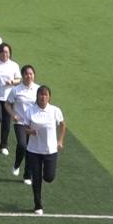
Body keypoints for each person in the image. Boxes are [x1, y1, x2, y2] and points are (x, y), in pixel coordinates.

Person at [23, 86, 66, 215]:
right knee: (36, 178)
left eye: (45, 95)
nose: (43, 97)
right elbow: (24, 127)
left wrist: (60, 140)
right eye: (41, 94)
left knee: (49, 177)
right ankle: (38, 205)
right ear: (37, 96)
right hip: (34, 150)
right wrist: (30, 131)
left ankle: (44, 175)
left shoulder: (55, 111)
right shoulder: (30, 111)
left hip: (50, 150)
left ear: (49, 97)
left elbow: (63, 124)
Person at [9, 65, 40, 183]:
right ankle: (17, 164)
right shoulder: (16, 90)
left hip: (33, 124)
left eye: (31, 74)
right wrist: (13, 115)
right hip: (20, 123)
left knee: (30, 150)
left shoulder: (38, 89)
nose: (29, 76)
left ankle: (27, 175)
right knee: (22, 145)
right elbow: (7, 104)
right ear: (22, 75)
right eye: (26, 74)